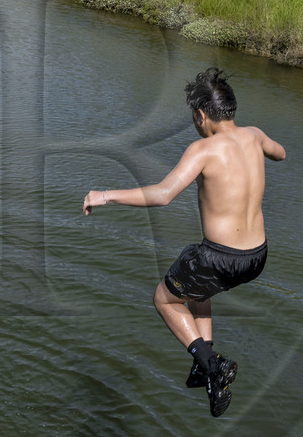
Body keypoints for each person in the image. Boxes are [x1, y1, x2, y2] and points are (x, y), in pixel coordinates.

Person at [82, 67, 286, 417]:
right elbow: (280, 153)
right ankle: (204, 367)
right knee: (197, 282)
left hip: (222, 256)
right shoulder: (254, 135)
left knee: (164, 299)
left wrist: (105, 195)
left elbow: (163, 195)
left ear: (202, 115)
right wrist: (261, 149)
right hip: (256, 257)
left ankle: (212, 365)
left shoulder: (203, 149)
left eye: (195, 118)